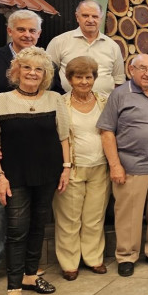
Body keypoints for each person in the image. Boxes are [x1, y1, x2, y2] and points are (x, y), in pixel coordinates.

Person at [0, 9, 56, 292]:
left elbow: (56, 101)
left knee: (31, 212)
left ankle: (27, 267)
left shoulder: (44, 63)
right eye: (22, 30)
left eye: (33, 31)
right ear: (10, 31)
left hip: (34, 155)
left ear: (39, 35)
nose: (27, 35)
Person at [0, 47, 70, 295]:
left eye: (39, 69)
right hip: (15, 175)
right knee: (16, 229)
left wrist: (66, 168)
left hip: (48, 172)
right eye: (27, 67)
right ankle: (13, 289)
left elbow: (64, 137)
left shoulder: (55, 99)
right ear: (16, 71)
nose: (33, 73)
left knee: (37, 225)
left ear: (45, 75)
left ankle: (31, 275)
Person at [97, 54, 148, 277]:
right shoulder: (120, 94)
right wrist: (115, 165)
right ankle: (126, 255)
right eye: (142, 68)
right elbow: (107, 131)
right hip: (131, 166)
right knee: (128, 215)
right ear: (131, 70)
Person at [53, 56, 110, 281]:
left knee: (94, 217)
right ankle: (69, 263)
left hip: (100, 167)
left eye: (88, 77)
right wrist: (64, 166)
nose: (84, 81)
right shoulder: (60, 103)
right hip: (72, 169)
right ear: (69, 79)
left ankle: (93, 258)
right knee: (69, 218)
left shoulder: (104, 100)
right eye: (79, 77)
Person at [46, 0, 125, 96]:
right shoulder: (59, 42)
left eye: (95, 16)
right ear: (77, 17)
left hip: (104, 107)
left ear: (101, 18)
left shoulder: (113, 46)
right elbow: (47, 75)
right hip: (67, 106)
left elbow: (119, 80)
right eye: (85, 16)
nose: (90, 20)